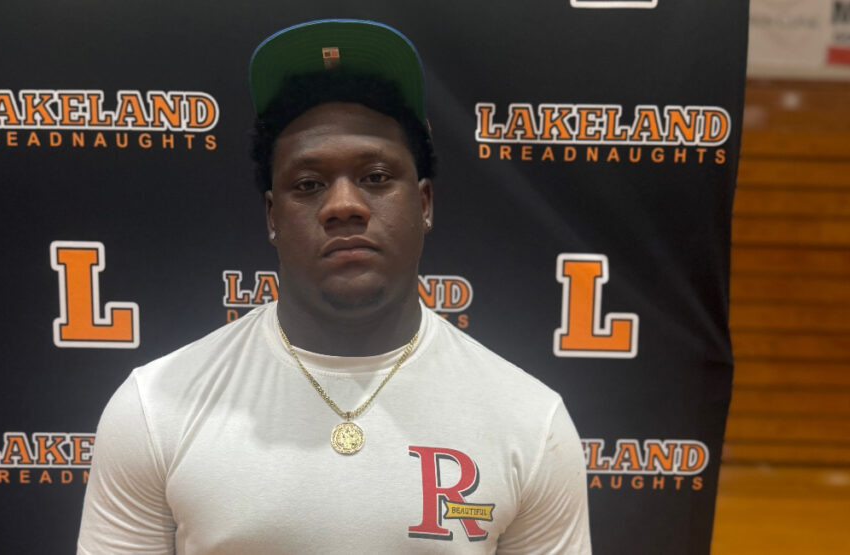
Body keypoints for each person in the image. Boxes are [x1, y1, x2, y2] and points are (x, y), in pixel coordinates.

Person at [78, 19, 591, 554]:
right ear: (273, 216)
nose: (343, 205)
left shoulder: (529, 421)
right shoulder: (155, 409)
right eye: (309, 184)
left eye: (375, 177)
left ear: (424, 204)